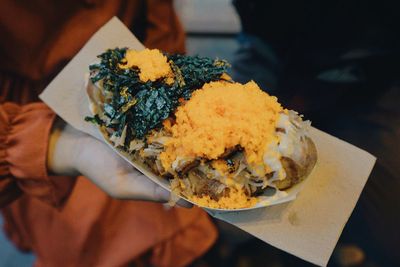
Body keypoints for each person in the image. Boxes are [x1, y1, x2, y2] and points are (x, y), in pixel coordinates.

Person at [0, 1, 217, 266]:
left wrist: (172, 88)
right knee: (93, 241)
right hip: (28, 114)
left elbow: (155, 16)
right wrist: (58, 146)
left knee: (180, 228)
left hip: (143, 83)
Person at [232, 0, 400, 265]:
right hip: (276, 54)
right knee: (265, 209)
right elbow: (259, 32)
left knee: (387, 236)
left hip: (375, 76)